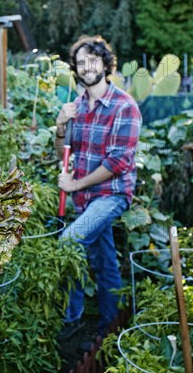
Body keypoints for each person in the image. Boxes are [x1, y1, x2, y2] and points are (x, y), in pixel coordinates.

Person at [54, 35, 142, 341]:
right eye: (80, 62)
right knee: (105, 261)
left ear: (105, 64)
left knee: (69, 241)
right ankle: (110, 324)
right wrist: (61, 126)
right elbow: (62, 152)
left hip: (112, 194)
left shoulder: (124, 106)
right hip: (87, 198)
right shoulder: (77, 106)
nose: (86, 67)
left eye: (93, 60)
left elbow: (118, 162)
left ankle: (71, 319)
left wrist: (75, 183)